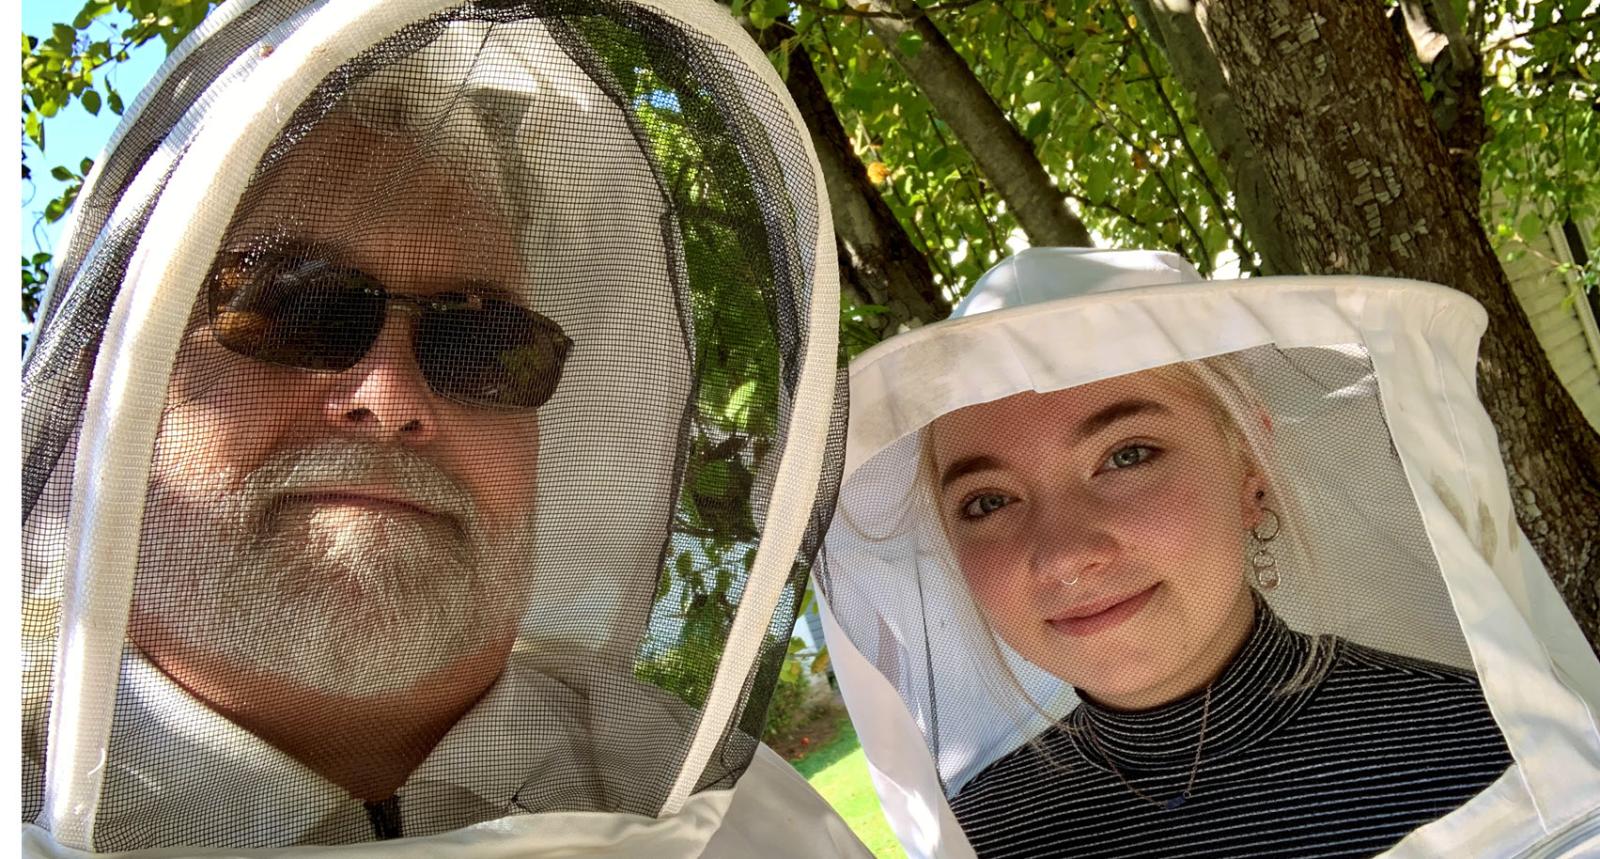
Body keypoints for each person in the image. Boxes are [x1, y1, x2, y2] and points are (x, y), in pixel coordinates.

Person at [22, 3, 864, 856]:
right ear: (114, 378)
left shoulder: (743, 814)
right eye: (290, 303)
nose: (390, 395)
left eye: (483, 341)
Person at [819, 248, 1600, 858]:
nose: (1062, 555)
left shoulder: (1485, 746)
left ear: (1250, 466)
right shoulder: (982, 836)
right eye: (987, 502)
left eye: (1127, 455)